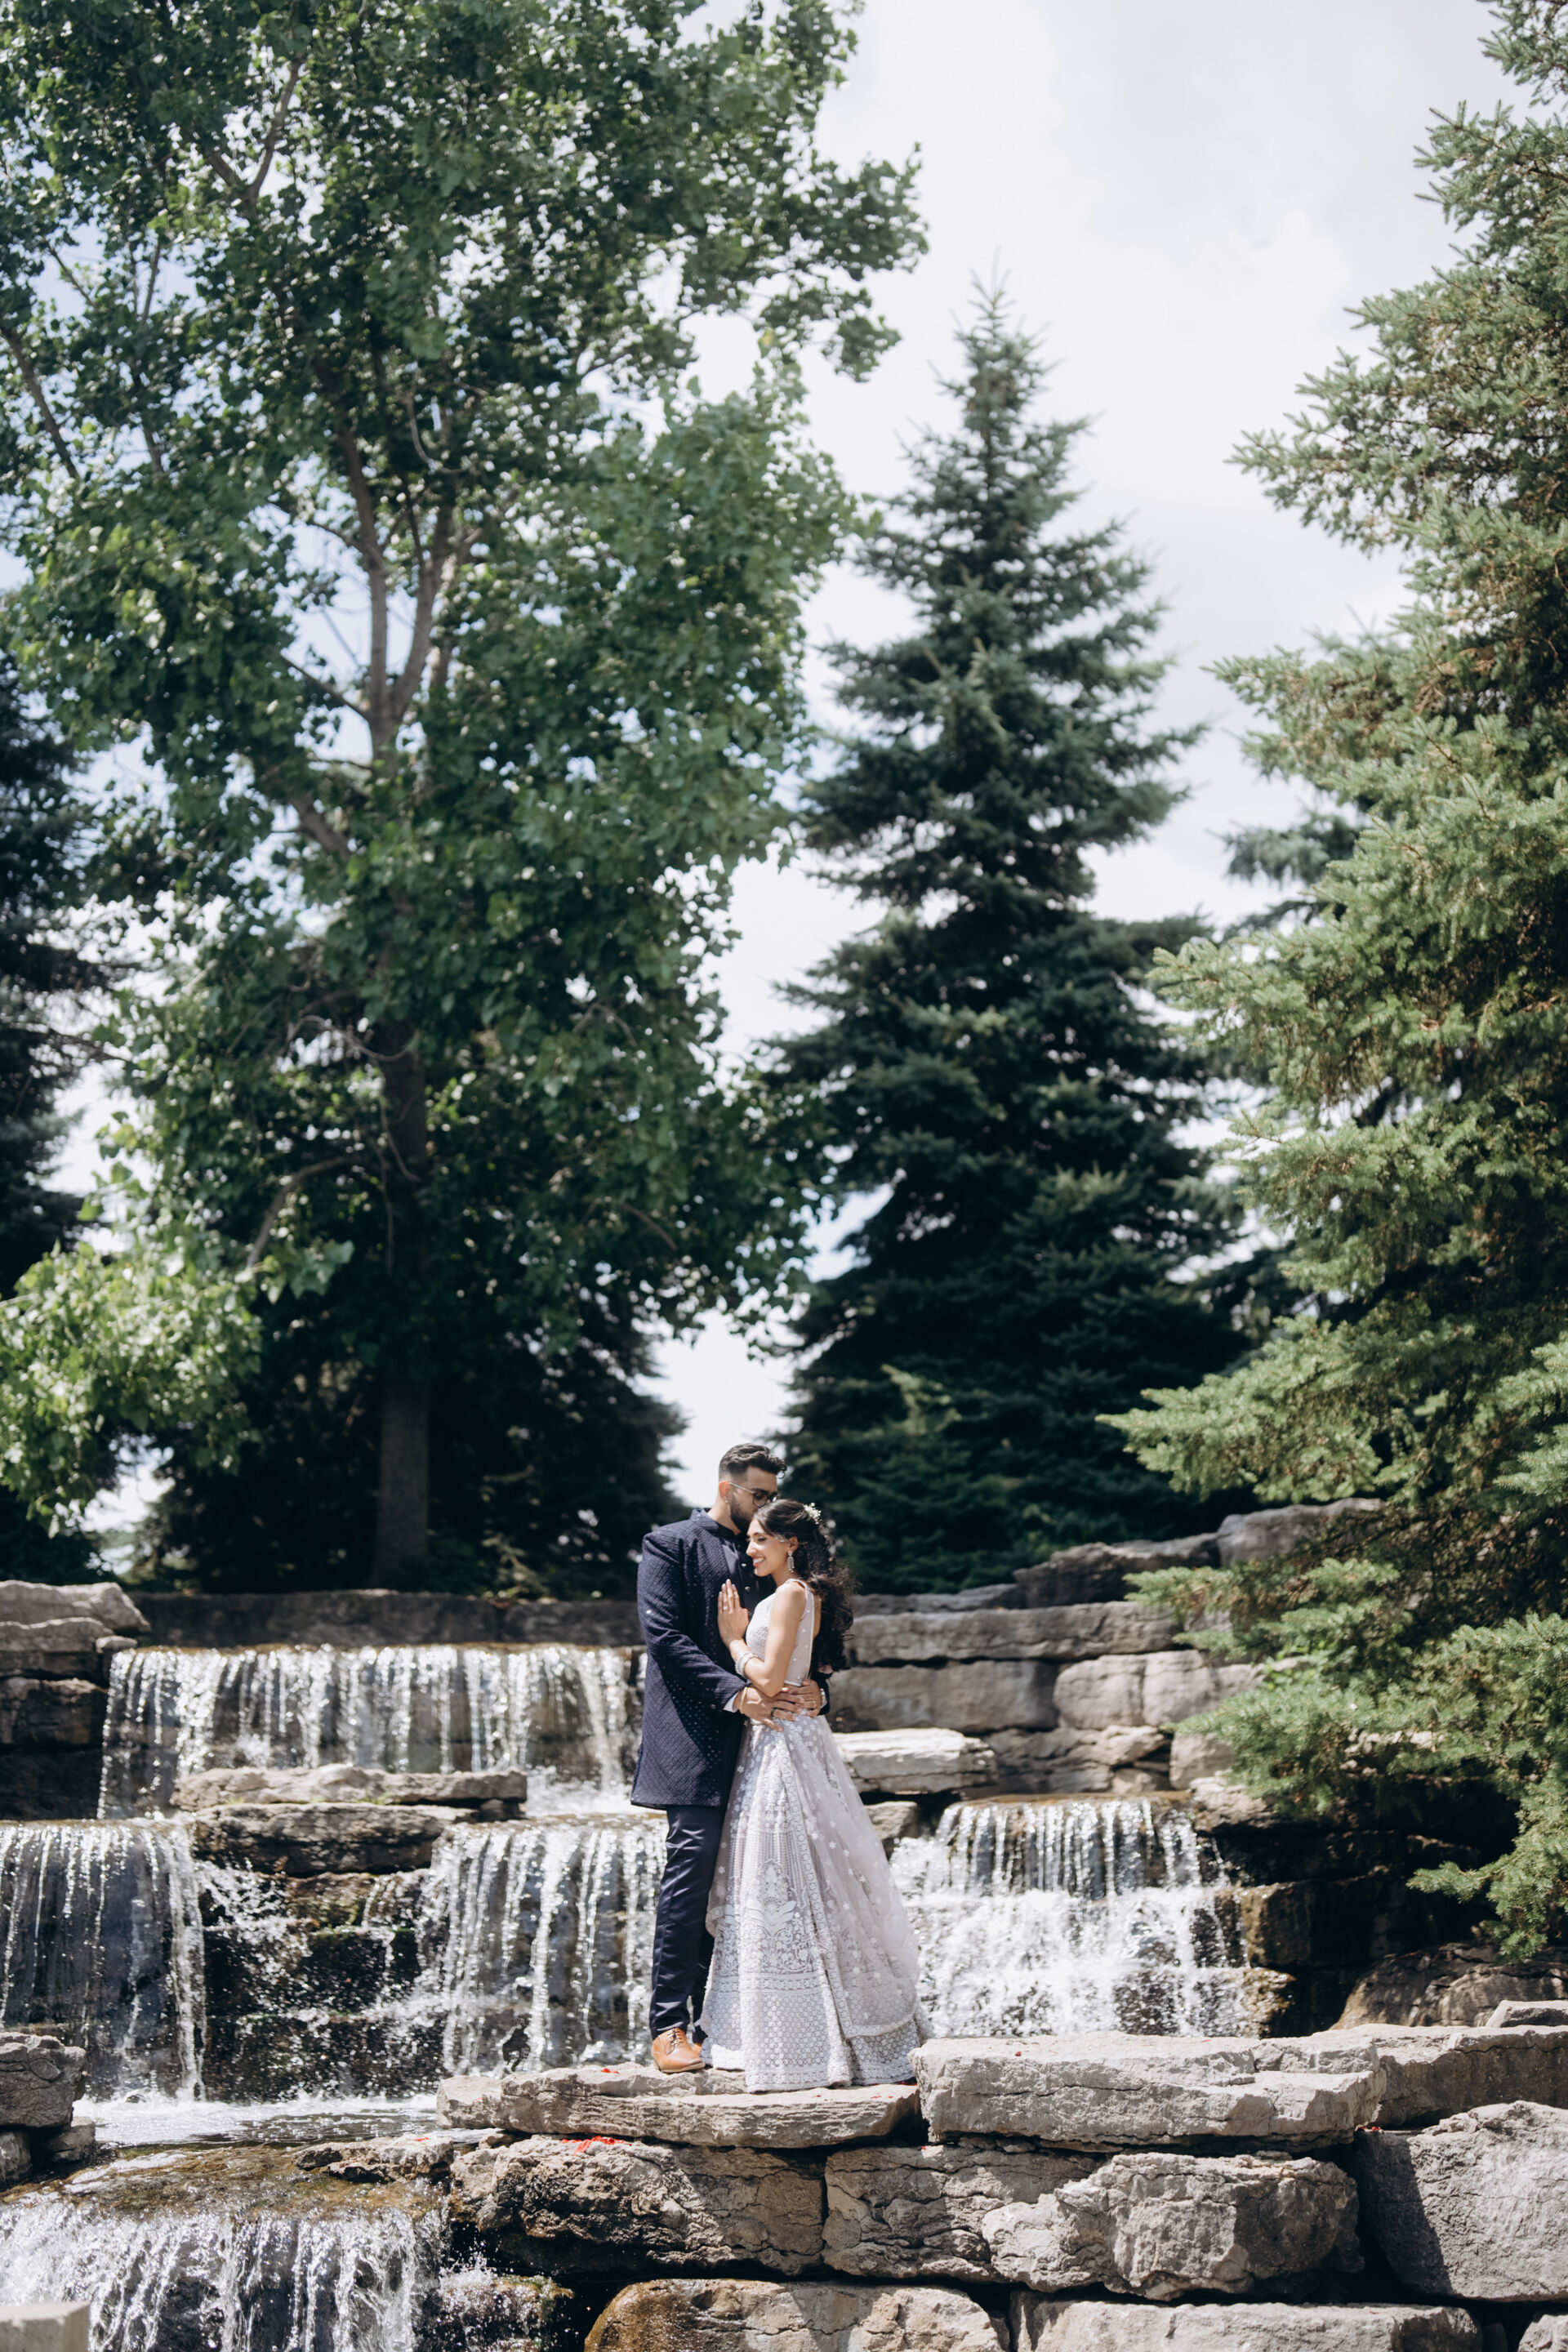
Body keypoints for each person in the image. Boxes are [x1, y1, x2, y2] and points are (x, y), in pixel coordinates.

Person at [698, 1495, 926, 2091]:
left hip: (784, 1745)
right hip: (778, 1739)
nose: (749, 1549)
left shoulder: (793, 1594)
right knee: (789, 1876)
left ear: (790, 1543)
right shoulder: (790, 1595)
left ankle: (815, 2040)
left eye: (759, 1539)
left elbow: (773, 1679)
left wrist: (732, 1641)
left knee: (788, 1874)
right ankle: (785, 2030)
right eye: (749, 1539)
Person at [631, 1442, 826, 2074]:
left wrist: (821, 1689)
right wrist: (737, 1694)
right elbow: (665, 1639)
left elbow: (808, 1634)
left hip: (770, 1748)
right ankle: (670, 2027)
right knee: (692, 1872)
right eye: (758, 1495)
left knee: (752, 1884)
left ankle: (729, 2027)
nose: (767, 1505)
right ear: (726, 1488)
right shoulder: (669, 1545)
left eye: (774, 1496)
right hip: (693, 1736)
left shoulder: (773, 1553)